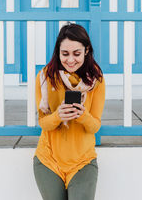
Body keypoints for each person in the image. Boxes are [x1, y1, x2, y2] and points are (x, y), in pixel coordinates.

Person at [33, 23, 105, 200]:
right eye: (65, 54)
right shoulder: (45, 77)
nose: (70, 60)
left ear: (86, 50)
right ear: (58, 51)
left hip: (83, 161)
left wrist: (83, 116)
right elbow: (43, 122)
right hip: (48, 160)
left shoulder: (96, 80)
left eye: (77, 53)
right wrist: (58, 116)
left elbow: (94, 126)